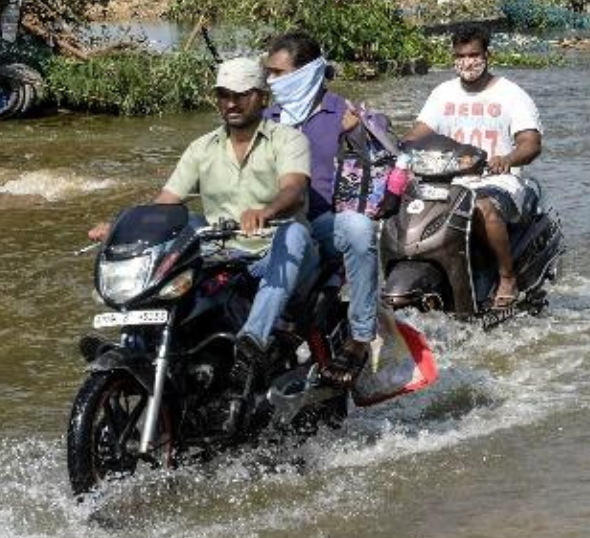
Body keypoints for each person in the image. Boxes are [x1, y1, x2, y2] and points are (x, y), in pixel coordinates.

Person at [89, 57, 316, 433]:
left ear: (261, 98)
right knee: (182, 233)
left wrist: (267, 210)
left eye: (242, 96)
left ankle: (253, 343)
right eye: (224, 95)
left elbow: (293, 188)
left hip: (276, 249)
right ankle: (138, 349)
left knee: (294, 231)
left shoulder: (287, 139)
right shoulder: (202, 148)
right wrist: (117, 226)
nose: (231, 103)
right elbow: (168, 201)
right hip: (221, 251)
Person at [261, 31, 383, 387]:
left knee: (359, 229)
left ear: (306, 73)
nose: (272, 81)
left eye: (280, 73)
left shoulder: (343, 113)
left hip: (322, 223)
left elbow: (380, 172)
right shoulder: (264, 116)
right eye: (269, 73)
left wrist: (360, 133)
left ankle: (360, 337)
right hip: (268, 222)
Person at [404, 25, 543, 311]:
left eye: (474, 54)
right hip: (446, 180)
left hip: (498, 181)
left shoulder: (511, 94)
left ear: (487, 55)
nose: (467, 62)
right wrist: (390, 140)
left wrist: (507, 159)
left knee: (482, 207)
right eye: (460, 55)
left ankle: (507, 278)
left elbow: (531, 143)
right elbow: (419, 132)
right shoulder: (442, 93)